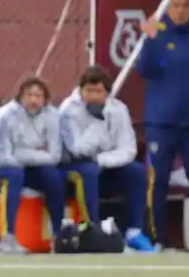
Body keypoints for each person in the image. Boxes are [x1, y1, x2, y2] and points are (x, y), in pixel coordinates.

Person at [134, 0, 189, 249]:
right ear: (167, 8)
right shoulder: (157, 36)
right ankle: (159, 238)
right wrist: (149, 39)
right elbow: (144, 69)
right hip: (161, 124)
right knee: (158, 181)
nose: (180, 10)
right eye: (175, 5)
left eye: (185, 5)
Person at [58, 66, 158, 252]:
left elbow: (128, 150)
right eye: (89, 90)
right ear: (80, 90)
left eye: (99, 91)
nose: (94, 96)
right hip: (73, 170)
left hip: (103, 165)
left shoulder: (119, 110)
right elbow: (77, 150)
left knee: (135, 171)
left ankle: (134, 232)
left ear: (107, 93)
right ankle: (94, 231)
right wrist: (96, 122)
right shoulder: (68, 111)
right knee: (87, 171)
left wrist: (101, 160)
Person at [0, 76, 66, 254]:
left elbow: (55, 155)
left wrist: (23, 156)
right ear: (20, 96)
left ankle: (58, 235)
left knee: (53, 176)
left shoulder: (52, 115)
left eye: (39, 95)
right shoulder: (5, 116)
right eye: (29, 94)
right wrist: (31, 157)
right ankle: (7, 238)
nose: (34, 100)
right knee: (14, 174)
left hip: (27, 166)